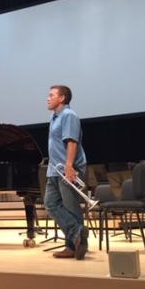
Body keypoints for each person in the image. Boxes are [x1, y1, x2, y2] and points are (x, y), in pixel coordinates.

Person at [44, 85, 89, 260]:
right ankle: (77, 235)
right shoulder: (54, 117)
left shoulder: (69, 115)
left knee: (71, 208)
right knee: (50, 203)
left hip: (68, 169)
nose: (47, 98)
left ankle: (73, 246)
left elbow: (72, 141)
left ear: (62, 98)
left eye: (51, 95)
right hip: (54, 170)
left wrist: (69, 166)